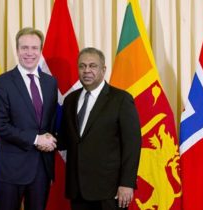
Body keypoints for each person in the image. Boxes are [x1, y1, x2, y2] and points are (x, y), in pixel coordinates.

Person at [58, 47, 142, 210]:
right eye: (82, 66)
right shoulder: (70, 100)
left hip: (109, 191)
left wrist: (127, 183)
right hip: (78, 190)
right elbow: (64, 140)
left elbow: (132, 144)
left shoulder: (121, 99)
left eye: (92, 66)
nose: (87, 71)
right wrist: (38, 138)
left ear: (103, 69)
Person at [0, 27, 58, 210]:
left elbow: (50, 122)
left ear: (40, 50)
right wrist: (36, 139)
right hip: (9, 170)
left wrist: (50, 140)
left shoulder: (50, 83)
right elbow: (0, 125)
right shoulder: (1, 83)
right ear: (17, 49)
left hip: (41, 169)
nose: (30, 53)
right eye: (24, 48)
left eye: (34, 48)